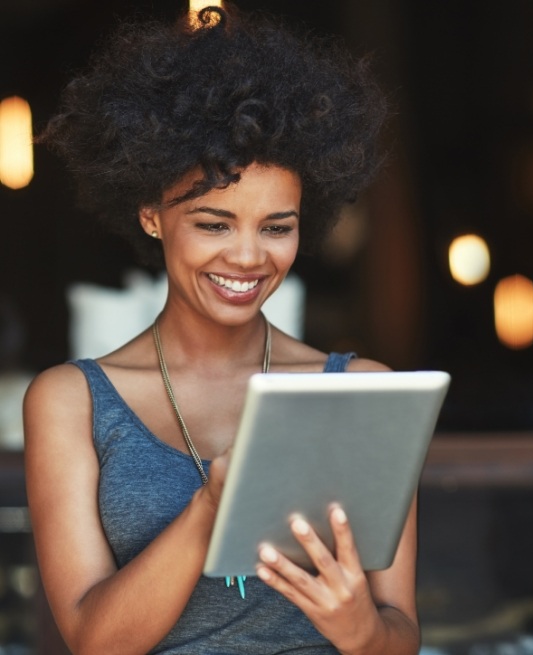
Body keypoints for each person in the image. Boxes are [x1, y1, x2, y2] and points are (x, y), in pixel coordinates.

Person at [23, 4, 420, 654]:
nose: (246, 257)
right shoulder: (72, 401)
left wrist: (361, 630)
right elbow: (94, 640)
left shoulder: (356, 389)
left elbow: (399, 634)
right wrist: (210, 509)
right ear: (152, 213)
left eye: (276, 226)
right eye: (213, 223)